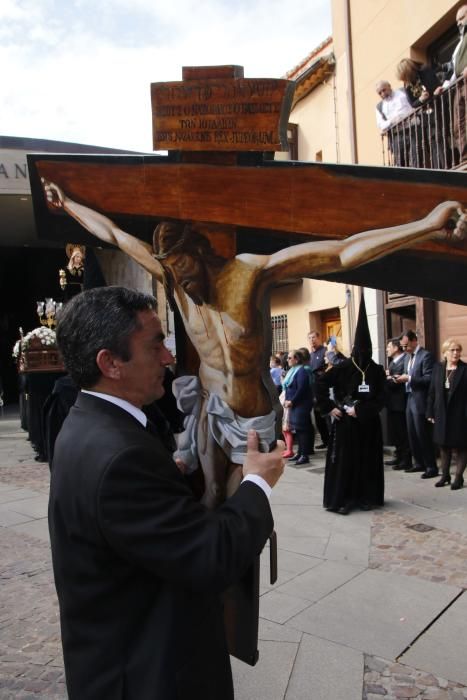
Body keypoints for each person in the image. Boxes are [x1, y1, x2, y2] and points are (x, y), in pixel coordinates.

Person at [42, 179, 466, 506]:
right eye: (171, 271)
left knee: (240, 505)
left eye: (184, 266)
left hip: (250, 420)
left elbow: (341, 253)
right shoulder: (172, 278)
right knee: (208, 500)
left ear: (200, 251)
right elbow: (115, 236)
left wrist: (427, 226)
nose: (181, 281)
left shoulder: (247, 275)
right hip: (211, 411)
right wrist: (68, 204)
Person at [48, 286, 284, 700]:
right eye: (155, 345)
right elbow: (212, 555)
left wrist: (166, 480)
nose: (169, 358)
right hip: (147, 674)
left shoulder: (90, 424)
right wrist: (258, 482)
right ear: (111, 363)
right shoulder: (120, 457)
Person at [315, 296, 386, 515]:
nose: (363, 354)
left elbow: (382, 398)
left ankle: (366, 496)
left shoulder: (376, 370)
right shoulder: (343, 367)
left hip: (368, 425)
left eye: (366, 350)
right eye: (360, 349)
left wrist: (362, 410)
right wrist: (330, 408)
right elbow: (319, 382)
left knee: (367, 462)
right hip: (346, 424)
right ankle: (344, 499)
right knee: (346, 462)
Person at [396, 330, 438, 478]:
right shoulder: (408, 357)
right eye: (402, 346)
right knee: (412, 433)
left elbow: (429, 379)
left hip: (421, 399)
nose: (404, 349)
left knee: (423, 434)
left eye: (406, 345)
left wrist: (410, 379)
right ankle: (418, 463)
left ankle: (431, 466)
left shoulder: (426, 356)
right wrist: (398, 378)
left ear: (414, 341)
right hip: (409, 398)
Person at [426, 338, 467, 490]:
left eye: (458, 350)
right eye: (452, 350)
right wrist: (429, 411)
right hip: (441, 413)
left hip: (460, 414)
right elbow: (431, 392)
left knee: (462, 446)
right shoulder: (438, 368)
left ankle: (458, 477)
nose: (456, 353)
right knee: (443, 445)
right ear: (444, 353)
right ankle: (445, 475)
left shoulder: (464, 369)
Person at [395, 58, 444, 168]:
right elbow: (413, 104)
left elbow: (436, 86)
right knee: (432, 141)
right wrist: (421, 99)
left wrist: (433, 94)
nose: (406, 79)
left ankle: (444, 165)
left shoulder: (425, 71)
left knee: (439, 136)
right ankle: (439, 168)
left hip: (438, 108)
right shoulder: (407, 85)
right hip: (425, 117)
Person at [434, 5, 467, 162]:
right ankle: (465, 155)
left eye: (462, 18)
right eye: (457, 21)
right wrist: (445, 86)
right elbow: (454, 69)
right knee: (458, 124)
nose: (459, 23)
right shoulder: (460, 44)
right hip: (459, 84)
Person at [385, 337, 411, 470]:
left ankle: (406, 460)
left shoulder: (406, 359)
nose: (387, 350)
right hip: (391, 402)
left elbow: (403, 378)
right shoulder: (392, 362)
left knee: (402, 432)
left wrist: (390, 378)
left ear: (396, 348)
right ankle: (398, 455)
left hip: (401, 402)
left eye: (389, 347)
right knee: (395, 432)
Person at [284, 349, 313, 465]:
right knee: (298, 430)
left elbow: (301, 389)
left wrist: (292, 401)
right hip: (294, 405)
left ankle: (304, 455)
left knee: (302, 430)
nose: (288, 360)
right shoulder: (293, 370)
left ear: (297, 359)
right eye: (288, 358)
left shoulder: (301, 371)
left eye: (290, 358)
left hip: (301, 404)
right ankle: (300, 453)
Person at [375, 80, 413, 166]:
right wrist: (392, 121)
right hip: (396, 136)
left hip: (412, 129)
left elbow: (412, 106)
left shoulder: (403, 92)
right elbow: (381, 125)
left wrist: (399, 117)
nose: (382, 94)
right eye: (380, 93)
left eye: (384, 90)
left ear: (389, 86)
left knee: (416, 158)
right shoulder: (379, 107)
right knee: (400, 163)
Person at [307, 330, 329, 449]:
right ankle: (325, 440)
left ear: (319, 338)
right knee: (318, 417)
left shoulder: (325, 351)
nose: (312, 340)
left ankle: (331, 440)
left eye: (314, 337)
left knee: (326, 415)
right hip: (313, 390)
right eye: (309, 338)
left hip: (323, 389)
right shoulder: (310, 355)